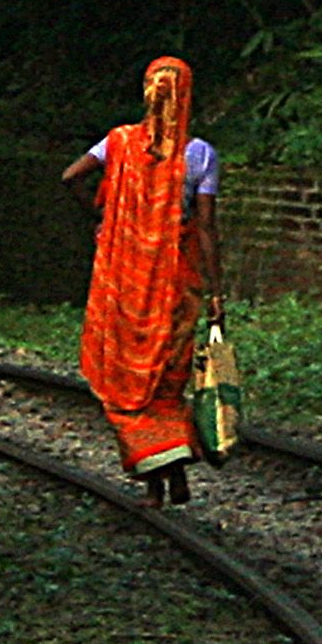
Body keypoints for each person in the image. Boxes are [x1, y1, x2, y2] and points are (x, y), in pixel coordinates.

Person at [63, 55, 216, 502]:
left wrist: (104, 215)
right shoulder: (200, 154)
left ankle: (154, 482)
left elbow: (70, 176)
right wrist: (218, 289)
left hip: (123, 281)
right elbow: (206, 229)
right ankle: (178, 465)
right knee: (168, 378)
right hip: (176, 282)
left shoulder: (117, 143)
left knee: (126, 381)